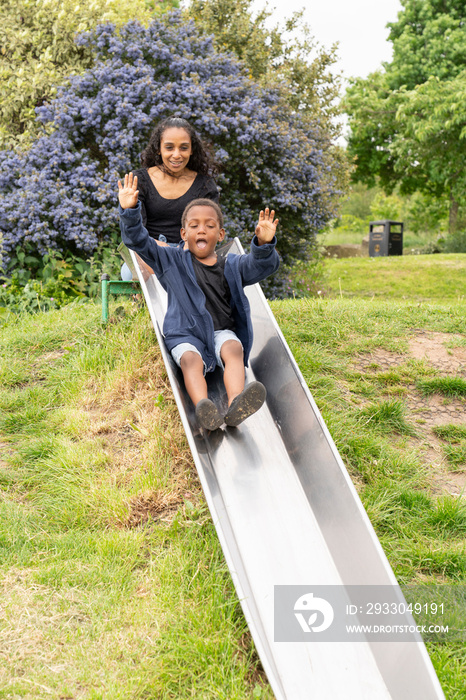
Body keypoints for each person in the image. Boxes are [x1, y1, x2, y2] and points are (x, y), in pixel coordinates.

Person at [118, 172, 280, 430]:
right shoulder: (171, 261)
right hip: (184, 334)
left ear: (221, 234)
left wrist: (263, 243)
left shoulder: (232, 265)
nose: (201, 229)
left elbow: (259, 267)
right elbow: (138, 241)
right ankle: (204, 408)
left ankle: (237, 403)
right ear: (183, 233)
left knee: (233, 349)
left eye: (209, 225)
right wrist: (129, 211)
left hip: (220, 331)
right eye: (194, 226)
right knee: (190, 360)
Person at [120, 116, 219, 280]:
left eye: (183, 148)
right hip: (149, 253)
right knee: (133, 270)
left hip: (190, 255)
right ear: (158, 149)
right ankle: (143, 299)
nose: (176, 155)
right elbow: (132, 237)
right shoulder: (140, 181)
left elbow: (208, 231)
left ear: (192, 149)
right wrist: (128, 210)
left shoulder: (205, 185)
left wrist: (185, 252)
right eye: (169, 147)